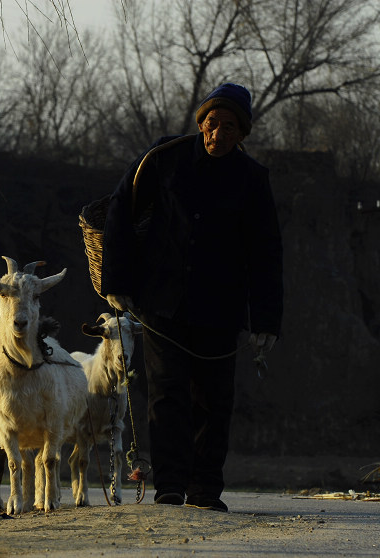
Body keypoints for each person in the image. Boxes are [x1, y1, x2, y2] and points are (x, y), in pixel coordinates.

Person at [100, 83, 283, 512]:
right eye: (212, 123)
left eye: (230, 127)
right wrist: (118, 280)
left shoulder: (252, 179)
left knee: (213, 402)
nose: (218, 133)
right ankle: (169, 487)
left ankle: (204, 490)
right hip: (163, 302)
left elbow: (266, 251)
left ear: (243, 133)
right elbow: (120, 212)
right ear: (201, 122)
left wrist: (267, 321)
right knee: (166, 395)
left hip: (221, 309)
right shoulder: (164, 159)